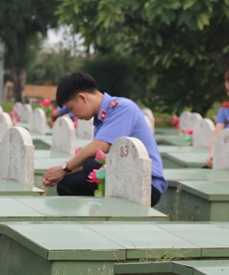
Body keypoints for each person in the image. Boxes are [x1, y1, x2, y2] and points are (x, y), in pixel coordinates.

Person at [42, 72, 167, 206]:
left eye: (72, 108)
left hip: (146, 184)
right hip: (123, 175)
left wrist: (65, 168)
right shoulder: (102, 118)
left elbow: (97, 150)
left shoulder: (122, 108)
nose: (74, 115)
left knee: (91, 165)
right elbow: (100, 158)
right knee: (66, 184)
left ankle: (109, 210)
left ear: (82, 98)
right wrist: (64, 173)